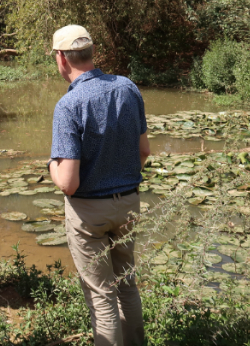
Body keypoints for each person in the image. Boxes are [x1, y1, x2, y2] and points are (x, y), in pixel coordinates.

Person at [47, 25, 152, 346]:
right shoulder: (128, 88)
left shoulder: (69, 105)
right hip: (129, 203)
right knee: (128, 286)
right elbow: (143, 152)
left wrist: (52, 165)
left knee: (102, 296)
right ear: (92, 53)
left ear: (62, 59)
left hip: (89, 213)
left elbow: (68, 182)